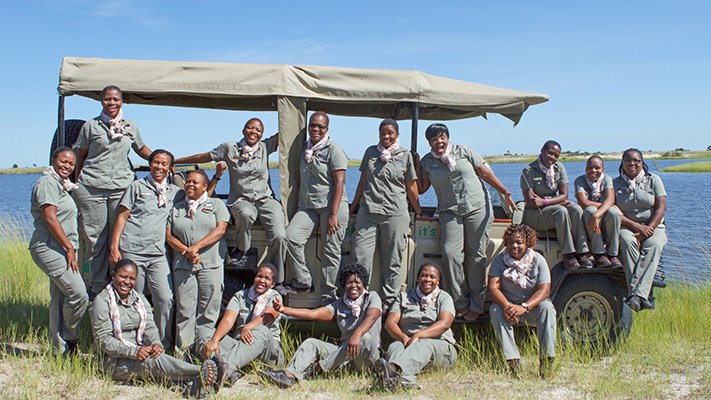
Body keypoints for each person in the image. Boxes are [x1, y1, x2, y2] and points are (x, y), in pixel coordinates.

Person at [416, 123, 516, 321]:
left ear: (447, 137)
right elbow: (421, 189)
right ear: (429, 143)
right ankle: (459, 302)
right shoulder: (427, 162)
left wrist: (504, 192)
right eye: (434, 139)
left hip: (477, 208)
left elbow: (485, 173)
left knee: (476, 255)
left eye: (441, 137)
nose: (439, 142)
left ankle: (477, 304)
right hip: (449, 212)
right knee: (450, 254)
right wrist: (413, 167)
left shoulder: (464, 151)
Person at [174, 118, 286, 285]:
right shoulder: (229, 148)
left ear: (262, 134)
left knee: (280, 236)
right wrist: (175, 161)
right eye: (250, 128)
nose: (253, 132)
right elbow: (206, 156)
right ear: (243, 130)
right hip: (241, 199)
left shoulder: (265, 146)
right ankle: (242, 249)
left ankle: (277, 277)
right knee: (246, 214)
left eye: (258, 130)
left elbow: (285, 130)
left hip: (265, 199)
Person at [89, 259, 224, 395]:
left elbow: (150, 326)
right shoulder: (101, 302)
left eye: (132, 278)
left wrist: (156, 343)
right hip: (113, 360)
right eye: (123, 276)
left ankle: (194, 387)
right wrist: (134, 352)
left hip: (139, 351)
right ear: (114, 275)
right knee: (155, 363)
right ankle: (201, 372)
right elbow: (104, 340)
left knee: (158, 361)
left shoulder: (139, 299)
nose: (127, 282)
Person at [72, 85, 153, 299]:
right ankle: (98, 288)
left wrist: (162, 160)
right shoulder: (91, 126)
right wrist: (76, 183)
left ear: (122, 101)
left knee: (119, 239)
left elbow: (142, 149)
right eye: (107, 99)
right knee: (97, 240)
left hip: (121, 188)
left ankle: (119, 285)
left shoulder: (130, 126)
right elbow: (79, 156)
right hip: (92, 188)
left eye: (116, 99)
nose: (112, 103)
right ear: (101, 101)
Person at [261, 264, 382, 388]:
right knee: (311, 343)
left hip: (367, 358)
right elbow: (313, 314)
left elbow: (372, 316)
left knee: (364, 338)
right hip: (344, 357)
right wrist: (283, 309)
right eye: (349, 283)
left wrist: (357, 335)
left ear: (364, 284)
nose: (353, 286)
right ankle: (289, 375)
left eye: (357, 282)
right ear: (344, 285)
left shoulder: (372, 297)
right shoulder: (339, 304)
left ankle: (318, 369)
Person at [109, 149, 182, 348]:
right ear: (150, 164)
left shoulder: (175, 192)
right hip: (133, 250)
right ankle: (135, 342)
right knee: (135, 298)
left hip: (158, 253)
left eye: (164, 164)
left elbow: (200, 194)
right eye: (156, 162)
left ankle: (162, 344)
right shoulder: (136, 187)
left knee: (165, 299)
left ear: (170, 168)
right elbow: (122, 216)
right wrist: (114, 247)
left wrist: (217, 177)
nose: (159, 167)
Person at [350, 119, 423, 308]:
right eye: (383, 133)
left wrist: (419, 210)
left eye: (390, 133)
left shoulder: (405, 156)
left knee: (392, 262)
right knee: (360, 258)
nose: (386, 136)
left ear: (397, 134)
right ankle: (359, 300)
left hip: (395, 214)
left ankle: (390, 303)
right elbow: (362, 181)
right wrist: (353, 207)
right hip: (368, 212)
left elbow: (411, 187)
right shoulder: (371, 153)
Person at [29, 147, 89, 354]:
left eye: (71, 164)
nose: (67, 166)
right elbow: (50, 217)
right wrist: (69, 247)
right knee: (79, 294)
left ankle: (59, 350)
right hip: (49, 246)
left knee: (60, 298)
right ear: (53, 160)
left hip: (62, 247)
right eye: (63, 161)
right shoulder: (47, 183)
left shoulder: (61, 185)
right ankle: (72, 340)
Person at [284, 112, 349, 303]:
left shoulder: (333, 150)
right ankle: (303, 280)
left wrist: (334, 214)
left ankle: (329, 297)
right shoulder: (304, 149)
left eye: (320, 127)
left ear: (326, 129)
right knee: (291, 238)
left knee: (330, 252)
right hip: (308, 206)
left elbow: (340, 183)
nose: (316, 129)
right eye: (313, 126)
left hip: (331, 206)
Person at [166, 170, 229, 352]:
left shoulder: (216, 204)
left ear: (204, 186)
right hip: (184, 266)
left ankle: (203, 351)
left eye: (195, 182)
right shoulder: (176, 208)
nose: (190, 185)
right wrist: (186, 251)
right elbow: (169, 236)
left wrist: (196, 247)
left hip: (211, 265)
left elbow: (220, 230)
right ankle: (182, 354)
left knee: (208, 311)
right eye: (188, 182)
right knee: (185, 311)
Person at [487, 224, 556, 378]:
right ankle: (513, 363)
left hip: (531, 308)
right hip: (509, 310)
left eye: (519, 242)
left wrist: (524, 307)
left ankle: (546, 362)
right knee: (495, 309)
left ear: (527, 243)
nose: (515, 246)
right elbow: (493, 287)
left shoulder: (538, 260)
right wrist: (507, 306)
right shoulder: (499, 261)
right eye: (511, 242)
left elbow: (544, 290)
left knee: (547, 308)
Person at [375, 262, 457, 390]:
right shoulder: (404, 297)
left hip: (440, 348)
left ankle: (392, 370)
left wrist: (418, 335)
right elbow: (390, 323)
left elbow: (444, 323)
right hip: (409, 344)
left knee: (423, 344)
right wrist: (403, 338)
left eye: (432, 277)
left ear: (438, 281)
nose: (427, 279)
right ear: (417, 278)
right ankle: (402, 381)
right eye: (424, 276)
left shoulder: (444, 297)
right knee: (395, 345)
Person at [200, 264, 284, 386]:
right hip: (241, 347)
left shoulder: (275, 296)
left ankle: (220, 371)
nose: (262, 280)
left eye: (267, 278)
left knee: (261, 331)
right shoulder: (241, 295)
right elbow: (228, 319)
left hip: (267, 352)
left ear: (272, 284)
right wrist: (215, 340)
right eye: (259, 276)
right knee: (205, 330)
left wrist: (248, 327)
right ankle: (231, 368)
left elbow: (270, 314)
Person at [520, 140, 591, 270]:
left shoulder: (559, 168)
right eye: (550, 153)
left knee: (575, 209)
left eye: (556, 156)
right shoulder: (529, 171)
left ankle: (582, 252)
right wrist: (555, 200)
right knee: (560, 211)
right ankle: (568, 254)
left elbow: (564, 195)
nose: (552, 158)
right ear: (542, 151)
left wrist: (545, 201)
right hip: (534, 215)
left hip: (549, 208)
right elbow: (532, 201)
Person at [613, 148, 667, 312]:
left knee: (655, 244)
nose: (632, 164)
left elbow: (661, 207)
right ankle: (644, 295)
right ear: (622, 163)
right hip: (628, 226)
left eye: (636, 160)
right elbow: (613, 210)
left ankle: (636, 295)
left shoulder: (653, 180)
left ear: (642, 162)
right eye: (628, 160)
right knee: (627, 241)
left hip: (653, 225)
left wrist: (648, 229)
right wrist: (636, 227)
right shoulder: (615, 183)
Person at [573, 156, 623, 268]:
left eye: (597, 168)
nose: (593, 171)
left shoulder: (607, 179)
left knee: (613, 213)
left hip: (602, 218)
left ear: (603, 169)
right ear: (586, 169)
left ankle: (612, 254)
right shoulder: (580, 181)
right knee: (591, 210)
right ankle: (599, 253)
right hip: (588, 218)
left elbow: (610, 199)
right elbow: (584, 202)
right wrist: (599, 211)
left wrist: (598, 213)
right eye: (590, 168)